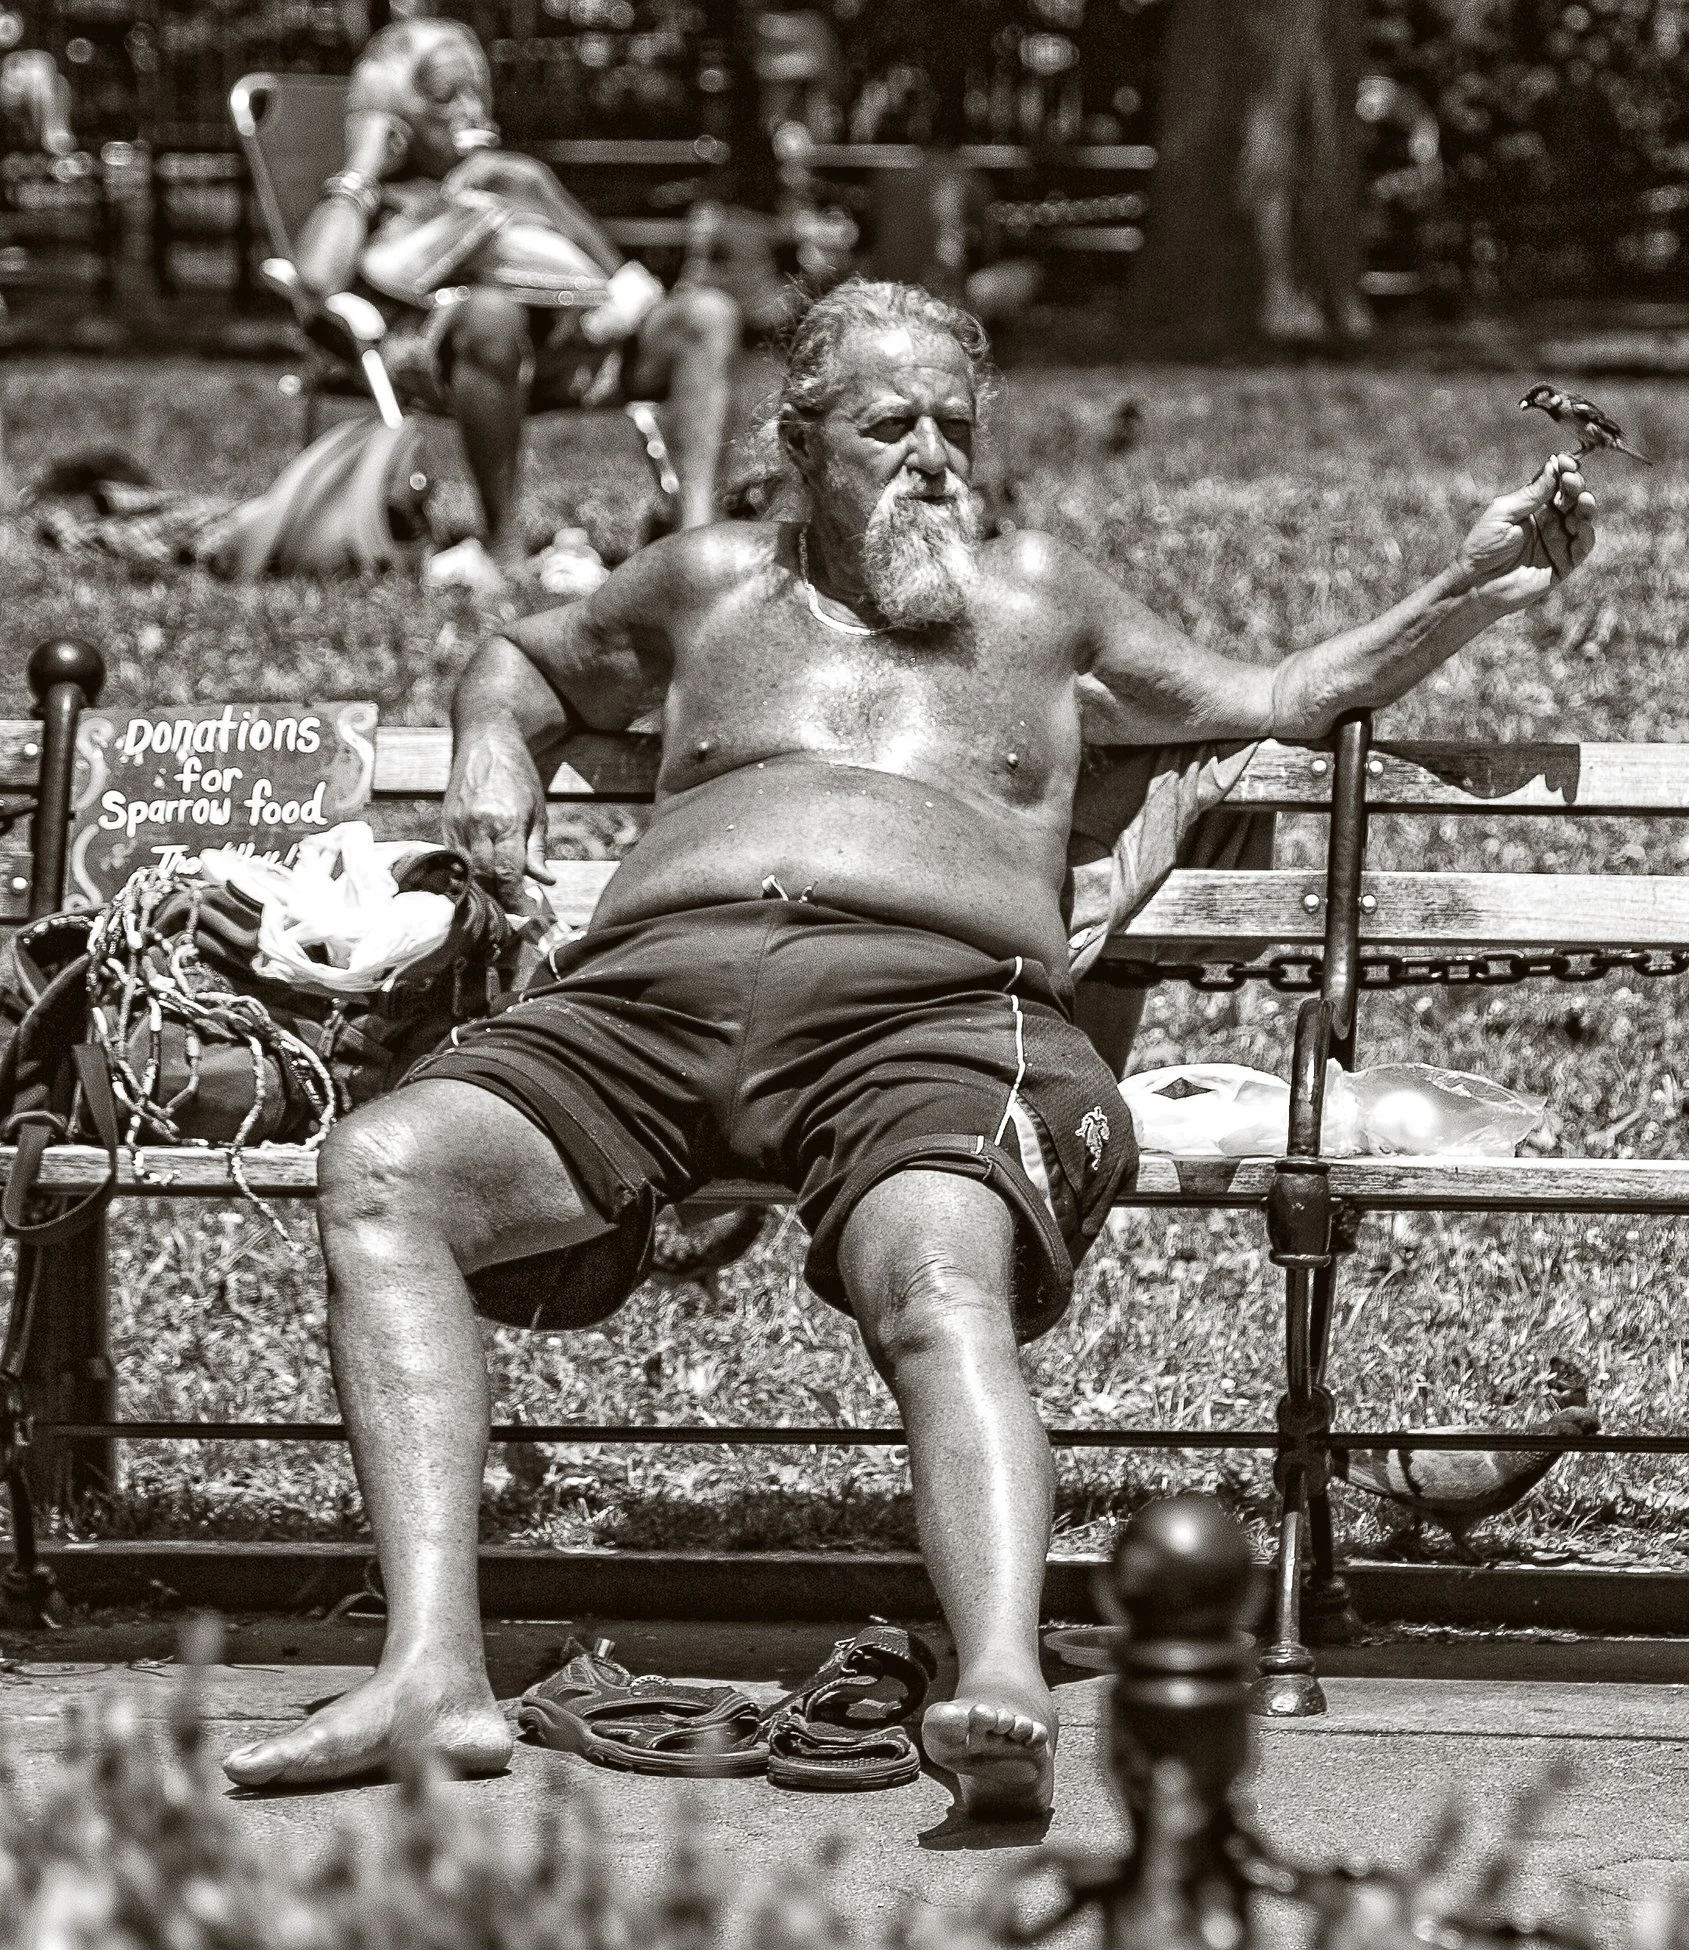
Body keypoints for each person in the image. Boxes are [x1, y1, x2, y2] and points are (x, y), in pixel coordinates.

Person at [220, 280, 1596, 1817]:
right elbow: (524, 663)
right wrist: (492, 758)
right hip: (648, 1000)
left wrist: (1469, 585)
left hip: (931, 1012)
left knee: (936, 1271)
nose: (936, 455)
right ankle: (432, 1673)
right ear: (800, 444)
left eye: (958, 424)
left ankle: (998, 1682)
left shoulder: (1042, 607)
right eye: (892, 425)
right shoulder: (708, 587)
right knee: (385, 1165)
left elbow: (1281, 693)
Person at [292, 19, 741, 579]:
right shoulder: (378, 199)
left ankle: (697, 546)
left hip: (573, 357)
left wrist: (536, 192)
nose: (471, 111)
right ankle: (504, 545)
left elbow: (629, 293)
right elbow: (313, 281)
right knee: (491, 313)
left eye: (476, 92)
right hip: (450, 361)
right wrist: (364, 161)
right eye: (445, 97)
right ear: (398, 120)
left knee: (708, 315)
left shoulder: (512, 180)